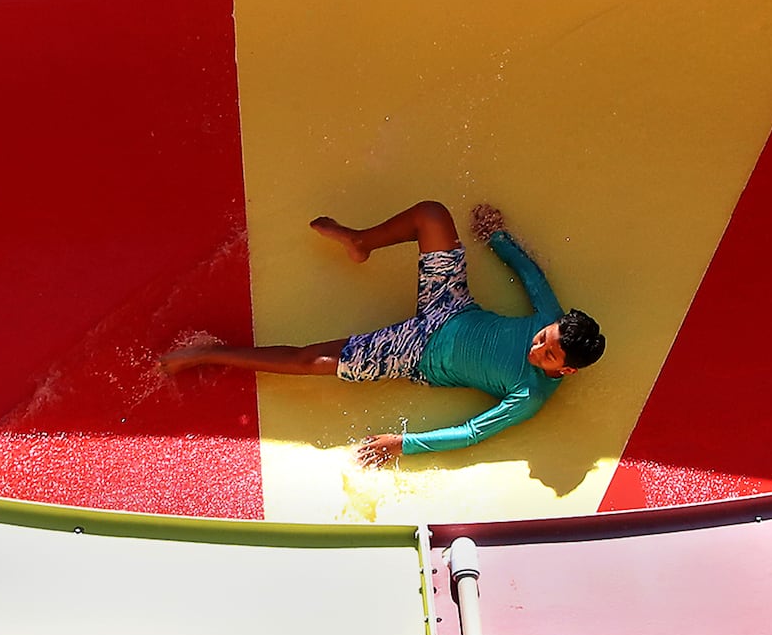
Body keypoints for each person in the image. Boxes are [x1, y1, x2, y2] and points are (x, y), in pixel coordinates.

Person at [160, 200, 606, 467]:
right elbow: (529, 274)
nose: (536, 347)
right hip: (451, 304)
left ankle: (209, 354)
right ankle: (363, 240)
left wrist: (403, 444)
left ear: (565, 371)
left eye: (546, 355)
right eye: (541, 337)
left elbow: (472, 432)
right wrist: (497, 237)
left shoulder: (528, 397)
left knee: (311, 360)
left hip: (417, 355)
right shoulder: (553, 317)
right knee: (432, 214)